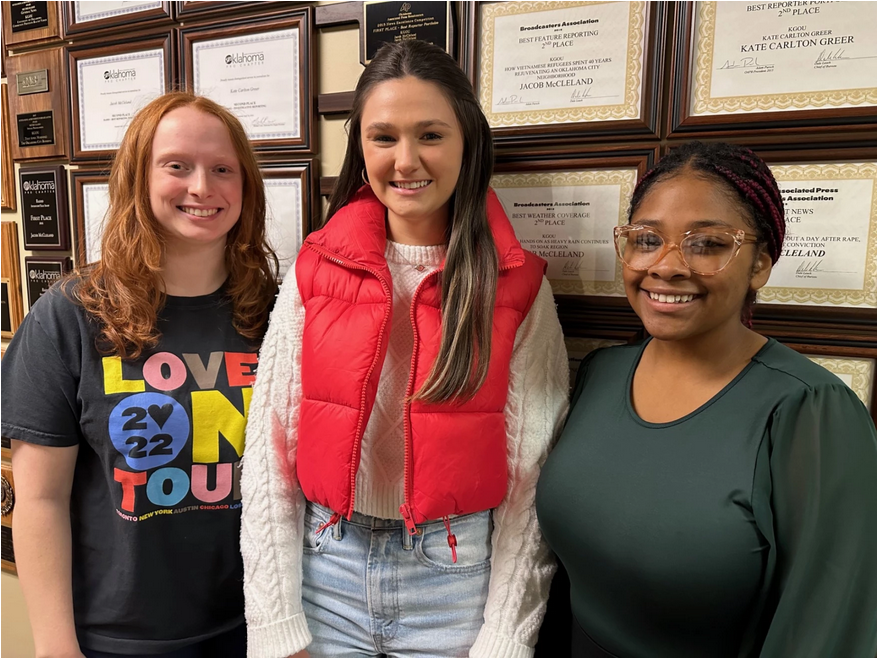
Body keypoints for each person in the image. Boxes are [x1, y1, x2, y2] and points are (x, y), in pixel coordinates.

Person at [240, 40, 570, 658]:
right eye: (383, 136)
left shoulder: (517, 282)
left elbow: (533, 475)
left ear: (468, 141)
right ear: (360, 147)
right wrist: (273, 621)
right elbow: (270, 449)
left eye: (431, 135)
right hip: (325, 572)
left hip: (454, 581)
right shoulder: (316, 266)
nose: (407, 159)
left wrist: (506, 637)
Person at [537, 141, 877, 657]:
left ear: (760, 263)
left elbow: (828, 631)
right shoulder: (602, 372)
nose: (667, 266)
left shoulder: (811, 412)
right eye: (648, 239)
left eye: (707, 244)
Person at [1, 92, 278, 657]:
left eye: (223, 169)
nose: (202, 187)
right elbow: (39, 501)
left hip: (258, 628)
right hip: (118, 639)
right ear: (138, 179)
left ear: (245, 187)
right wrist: (56, 648)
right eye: (177, 166)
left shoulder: (277, 311)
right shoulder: (72, 314)